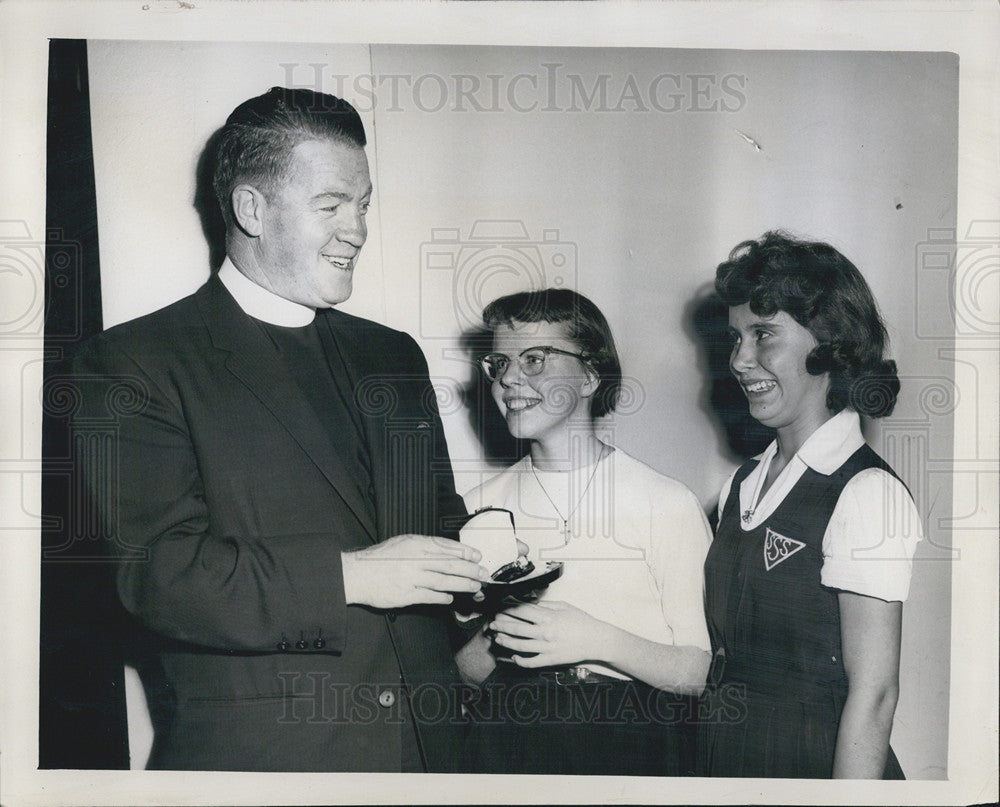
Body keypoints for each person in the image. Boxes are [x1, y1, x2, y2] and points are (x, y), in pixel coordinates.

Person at [69, 87, 488, 772]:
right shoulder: (133, 362)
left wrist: (483, 555)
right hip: (272, 763)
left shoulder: (394, 354)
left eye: (363, 204)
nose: (356, 228)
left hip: (431, 754)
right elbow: (158, 576)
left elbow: (437, 518)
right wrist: (352, 576)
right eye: (331, 205)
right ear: (251, 208)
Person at [458, 288, 712, 776]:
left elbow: (702, 674)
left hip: (635, 745)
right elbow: (464, 673)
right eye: (499, 363)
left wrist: (596, 640)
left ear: (591, 374)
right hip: (509, 745)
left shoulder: (665, 503)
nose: (509, 378)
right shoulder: (477, 509)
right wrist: (496, 635)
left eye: (534, 359)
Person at [700, 231, 923, 778]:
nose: (739, 359)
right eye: (735, 338)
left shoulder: (868, 494)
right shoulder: (739, 485)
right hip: (727, 756)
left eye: (764, 335)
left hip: (813, 767)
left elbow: (874, 696)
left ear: (829, 343)